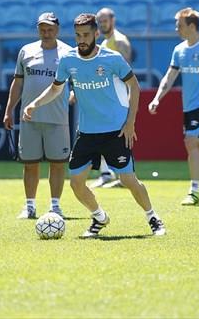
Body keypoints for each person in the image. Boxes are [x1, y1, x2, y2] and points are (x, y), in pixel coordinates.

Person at [23, 13, 166, 238]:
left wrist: (130, 123)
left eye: (86, 35)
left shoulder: (113, 58)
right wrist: (34, 104)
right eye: (78, 35)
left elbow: (134, 87)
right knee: (76, 183)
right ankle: (99, 217)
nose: (82, 39)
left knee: (128, 179)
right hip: (87, 132)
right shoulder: (68, 60)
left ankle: (153, 217)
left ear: (96, 34)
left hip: (115, 131)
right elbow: (56, 88)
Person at [148, 7, 199, 207]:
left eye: (179, 25)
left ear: (191, 26)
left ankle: (194, 191)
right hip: (188, 106)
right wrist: (157, 98)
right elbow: (170, 76)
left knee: (190, 142)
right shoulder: (179, 50)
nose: (176, 29)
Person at [3, 12, 72, 219]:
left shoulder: (68, 53)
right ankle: (30, 206)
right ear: (38, 29)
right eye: (42, 28)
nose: (46, 32)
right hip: (29, 118)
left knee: (58, 163)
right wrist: (9, 110)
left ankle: (55, 206)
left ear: (57, 30)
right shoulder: (26, 51)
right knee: (30, 164)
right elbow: (18, 82)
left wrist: (75, 94)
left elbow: (77, 82)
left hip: (57, 117)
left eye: (50, 28)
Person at [90, 7, 133, 188]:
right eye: (99, 21)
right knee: (100, 133)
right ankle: (107, 173)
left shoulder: (120, 41)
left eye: (104, 20)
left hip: (118, 97)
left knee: (119, 135)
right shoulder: (105, 42)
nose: (101, 24)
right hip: (105, 96)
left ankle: (125, 175)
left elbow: (125, 72)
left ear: (112, 20)